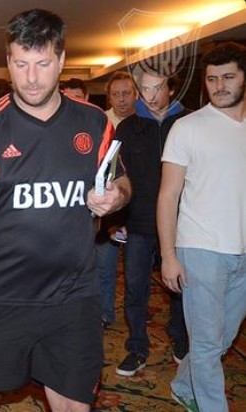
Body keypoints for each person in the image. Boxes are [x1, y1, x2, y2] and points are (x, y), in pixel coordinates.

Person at [0, 9, 131, 412]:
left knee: (75, 404)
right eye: (21, 65)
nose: (31, 77)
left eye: (42, 64)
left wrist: (116, 197)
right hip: (0, 296)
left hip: (73, 296)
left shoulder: (93, 124)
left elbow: (123, 183)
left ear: (60, 60)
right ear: (8, 62)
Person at [158, 41, 246, 412]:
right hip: (200, 249)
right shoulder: (187, 127)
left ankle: (182, 383)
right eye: (212, 79)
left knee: (221, 339)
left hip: (242, 252)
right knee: (208, 344)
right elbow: (168, 195)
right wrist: (168, 256)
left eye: (228, 77)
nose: (219, 85)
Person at [114, 69, 190, 377]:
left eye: (158, 88)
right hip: (139, 223)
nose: (152, 95)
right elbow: (119, 178)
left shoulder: (188, 124)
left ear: (170, 89)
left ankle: (181, 338)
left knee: (181, 287)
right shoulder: (127, 129)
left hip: (182, 223)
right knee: (135, 288)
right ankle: (137, 347)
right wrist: (118, 219)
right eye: (145, 89)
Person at [96, 70, 137, 328]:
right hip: (108, 208)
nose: (121, 99)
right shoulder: (100, 124)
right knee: (104, 266)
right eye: (115, 94)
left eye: (126, 93)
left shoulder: (146, 124)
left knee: (135, 273)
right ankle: (103, 313)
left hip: (139, 207)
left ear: (135, 95)